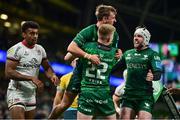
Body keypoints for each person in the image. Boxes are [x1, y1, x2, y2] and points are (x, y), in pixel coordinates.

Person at [48, 4, 122, 119]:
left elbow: (113, 53)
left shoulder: (114, 34)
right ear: (105, 19)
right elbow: (69, 50)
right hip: (80, 73)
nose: (115, 20)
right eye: (113, 17)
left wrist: (118, 54)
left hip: (100, 77)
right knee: (65, 104)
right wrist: (88, 55)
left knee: (95, 108)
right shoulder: (88, 31)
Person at [5, 21, 59, 119]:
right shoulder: (16, 49)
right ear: (24, 34)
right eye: (31, 33)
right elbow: (8, 72)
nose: (35, 36)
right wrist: (31, 78)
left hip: (31, 94)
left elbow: (47, 67)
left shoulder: (40, 49)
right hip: (17, 92)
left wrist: (53, 75)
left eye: (36, 33)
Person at [116, 26, 162, 119]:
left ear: (146, 39)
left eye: (139, 36)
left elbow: (158, 74)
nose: (135, 38)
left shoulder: (152, 54)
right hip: (128, 97)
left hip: (145, 97)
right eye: (134, 36)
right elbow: (113, 68)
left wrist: (153, 76)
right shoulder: (128, 53)